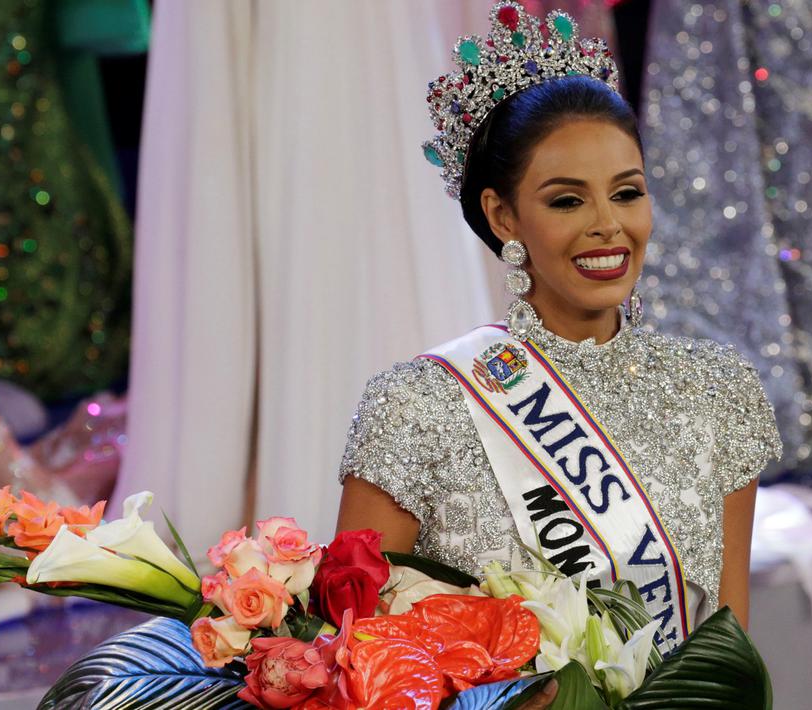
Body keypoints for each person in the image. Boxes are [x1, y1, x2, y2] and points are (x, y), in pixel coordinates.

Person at [335, 0, 782, 689]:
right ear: (502, 214)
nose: (608, 225)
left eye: (626, 192)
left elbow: (726, 661)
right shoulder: (416, 405)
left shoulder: (717, 393)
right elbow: (357, 659)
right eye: (567, 201)